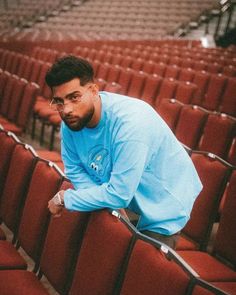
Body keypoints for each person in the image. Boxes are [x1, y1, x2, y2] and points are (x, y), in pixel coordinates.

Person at [46, 55, 202, 249]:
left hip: (161, 202)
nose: (66, 109)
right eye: (59, 101)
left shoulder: (131, 124)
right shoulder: (71, 122)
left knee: (141, 273)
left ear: (94, 90)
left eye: (74, 97)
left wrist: (66, 198)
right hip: (122, 192)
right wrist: (107, 200)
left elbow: (119, 194)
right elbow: (75, 169)